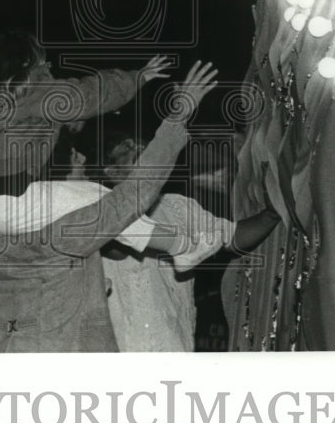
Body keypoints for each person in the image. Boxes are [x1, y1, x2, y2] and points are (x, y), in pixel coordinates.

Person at [0, 61, 218, 352]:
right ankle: (181, 246)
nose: (84, 163)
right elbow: (135, 194)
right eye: (74, 158)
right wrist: (178, 117)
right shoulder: (63, 231)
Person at [0, 29, 170, 220]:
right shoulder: (32, 87)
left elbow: (48, 120)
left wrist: (83, 116)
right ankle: (177, 244)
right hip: (9, 197)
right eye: (43, 61)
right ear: (27, 62)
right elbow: (88, 94)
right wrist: (137, 77)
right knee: (101, 200)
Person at [98, 134, 281, 352]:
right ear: (112, 172)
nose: (153, 165)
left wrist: (271, 214)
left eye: (157, 158)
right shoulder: (94, 210)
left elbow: (231, 238)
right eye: (139, 159)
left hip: (173, 346)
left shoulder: (176, 207)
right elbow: (115, 250)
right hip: (115, 353)